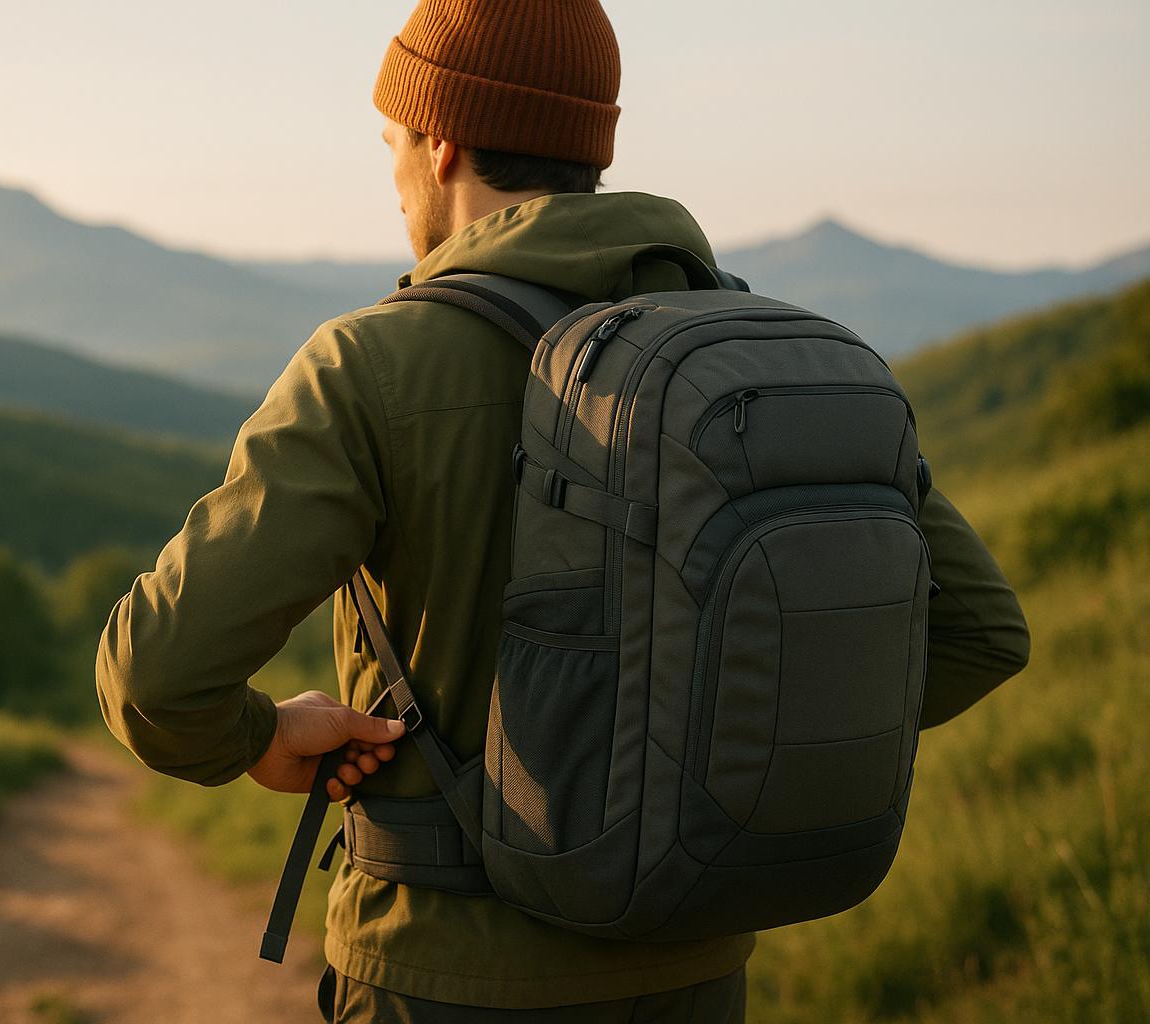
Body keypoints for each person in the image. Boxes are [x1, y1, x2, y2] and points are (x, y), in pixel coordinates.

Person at [95, 1, 1031, 1019]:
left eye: (391, 141)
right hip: (691, 975)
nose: (394, 175)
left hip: (439, 972)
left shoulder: (371, 365)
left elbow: (158, 680)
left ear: (441, 142)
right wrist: (705, 750)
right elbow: (979, 633)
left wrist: (261, 735)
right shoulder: (758, 358)